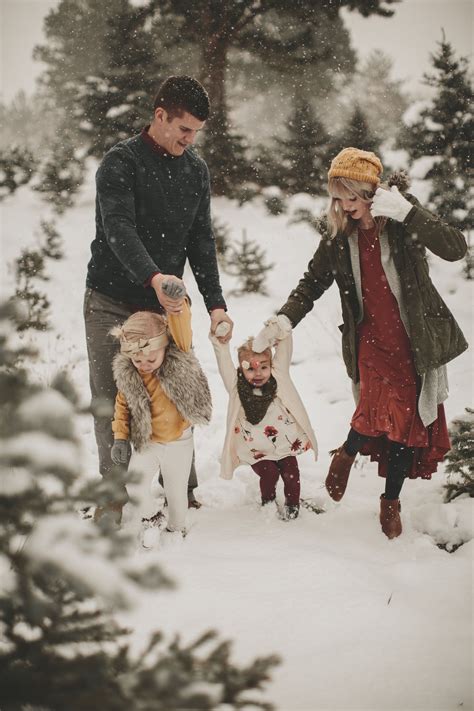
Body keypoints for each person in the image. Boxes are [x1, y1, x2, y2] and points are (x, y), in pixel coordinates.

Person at [266, 146, 467, 538]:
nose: (342, 206)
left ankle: (390, 500)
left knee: (408, 423)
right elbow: (312, 284)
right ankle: (347, 452)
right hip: (370, 340)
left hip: (413, 339)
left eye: (350, 197)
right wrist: (284, 319)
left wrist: (407, 211)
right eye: (336, 198)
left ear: (369, 192)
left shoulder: (401, 216)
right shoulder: (340, 234)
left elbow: (456, 248)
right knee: (374, 410)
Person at [84, 75, 233, 516]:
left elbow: (200, 242)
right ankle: (113, 498)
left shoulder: (195, 172)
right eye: (184, 129)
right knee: (110, 401)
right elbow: (118, 229)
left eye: (197, 133)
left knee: (174, 392)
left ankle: (179, 491)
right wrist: (153, 276)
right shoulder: (120, 163)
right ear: (160, 116)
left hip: (163, 305)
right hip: (110, 299)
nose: (190, 140)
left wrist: (216, 304)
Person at [110, 293, 212, 546]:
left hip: (179, 441)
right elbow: (122, 407)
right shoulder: (130, 376)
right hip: (149, 442)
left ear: (166, 346)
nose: (143, 364)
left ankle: (176, 530)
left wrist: (179, 304)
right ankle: (151, 517)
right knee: (134, 484)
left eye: (150, 358)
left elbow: (181, 324)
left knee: (177, 493)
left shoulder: (180, 359)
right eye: (137, 360)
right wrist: (121, 438)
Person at [210, 318, 318, 519]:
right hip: (256, 449)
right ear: (241, 369)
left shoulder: (279, 377)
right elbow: (223, 360)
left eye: (263, 367)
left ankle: (293, 505)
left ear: (271, 365)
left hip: (284, 445)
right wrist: (220, 342)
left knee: (291, 474)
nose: (258, 373)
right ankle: (267, 502)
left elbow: (284, 349)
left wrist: (280, 331)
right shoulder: (237, 387)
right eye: (250, 369)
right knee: (269, 474)